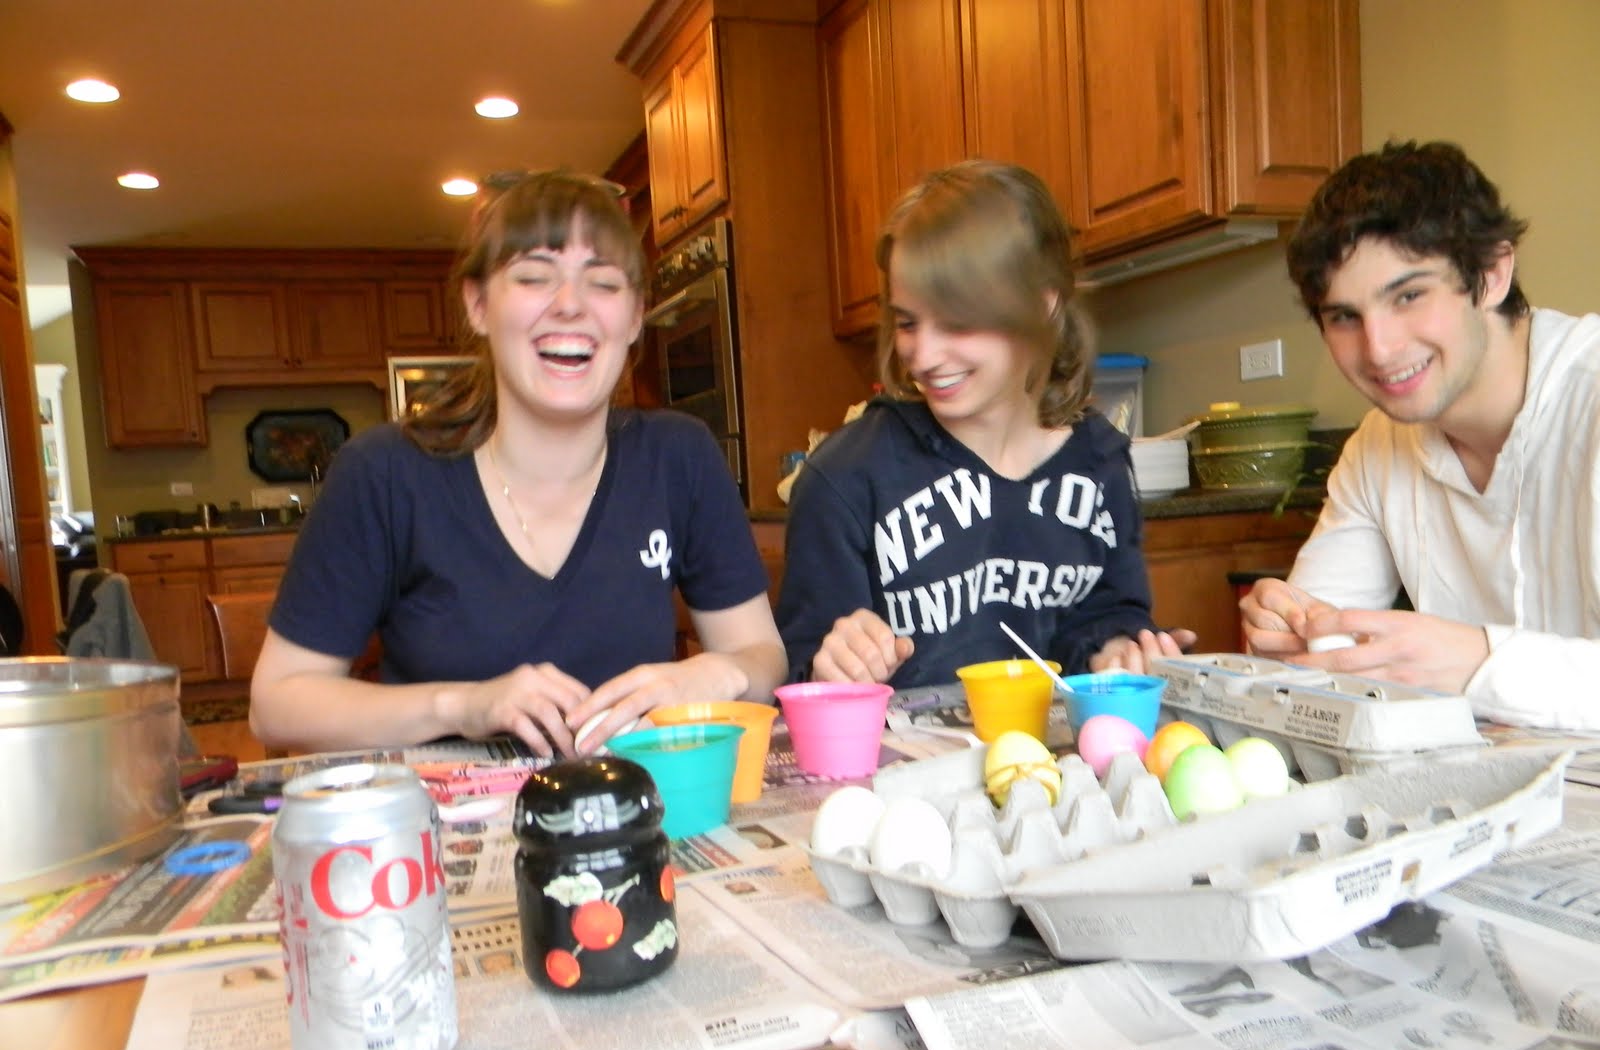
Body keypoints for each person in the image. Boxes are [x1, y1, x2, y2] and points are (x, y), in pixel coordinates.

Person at [251, 170, 785, 756]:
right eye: (534, 277)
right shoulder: (383, 474)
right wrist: (464, 704)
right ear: (478, 304)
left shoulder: (679, 456)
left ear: (635, 317)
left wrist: (715, 674)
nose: (570, 305)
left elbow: (762, 656)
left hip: (642, 801)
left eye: (603, 283)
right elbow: (277, 705)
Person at [777, 160, 1191, 687]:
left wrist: (1117, 648)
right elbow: (801, 667)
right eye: (907, 322)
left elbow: (1109, 613)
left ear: (1042, 307)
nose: (924, 356)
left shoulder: (1101, 460)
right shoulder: (843, 479)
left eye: (958, 321)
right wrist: (829, 663)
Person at [1241, 140, 1600, 729]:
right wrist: (1288, 629)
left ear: (1491, 273)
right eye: (1344, 317)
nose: (1379, 349)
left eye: (1408, 296)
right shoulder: (1377, 446)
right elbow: (1317, 655)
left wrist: (1478, 662)